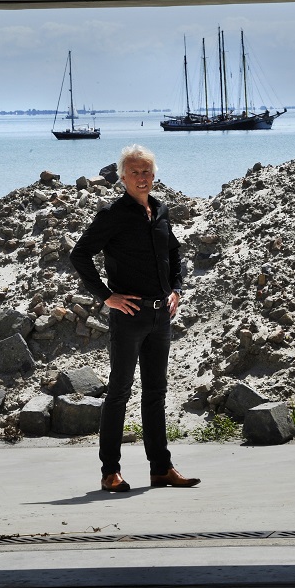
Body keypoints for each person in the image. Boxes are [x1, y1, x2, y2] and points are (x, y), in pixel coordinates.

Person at [70, 144, 200, 492]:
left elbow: (174, 253)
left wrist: (177, 289)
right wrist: (106, 296)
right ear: (123, 177)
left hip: (161, 316)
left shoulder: (160, 210)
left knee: (156, 393)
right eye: (135, 172)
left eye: (147, 172)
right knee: (119, 393)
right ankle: (110, 471)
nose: (142, 178)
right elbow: (80, 254)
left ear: (153, 176)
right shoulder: (113, 213)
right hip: (129, 317)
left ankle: (161, 469)